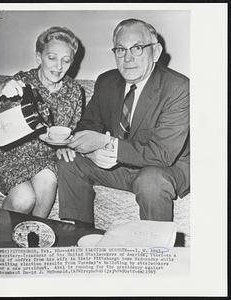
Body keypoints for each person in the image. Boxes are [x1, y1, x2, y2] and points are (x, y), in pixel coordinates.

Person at [58, 18, 190, 226]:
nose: (128, 58)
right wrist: (87, 150)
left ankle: (155, 252)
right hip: (120, 166)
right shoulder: (106, 81)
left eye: (137, 48)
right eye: (120, 49)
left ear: (155, 52)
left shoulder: (178, 88)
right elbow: (87, 126)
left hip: (164, 167)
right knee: (69, 162)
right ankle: (80, 238)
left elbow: (162, 154)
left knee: (151, 182)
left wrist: (106, 145)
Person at [0, 26, 83, 217]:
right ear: (39, 58)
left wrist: (69, 145)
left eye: (66, 60)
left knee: (48, 181)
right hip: (15, 157)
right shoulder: (22, 82)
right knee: (24, 199)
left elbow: (76, 129)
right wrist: (0, 89)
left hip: (48, 158)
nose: (59, 66)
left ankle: (36, 238)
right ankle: (2, 240)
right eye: (52, 58)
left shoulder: (75, 91)